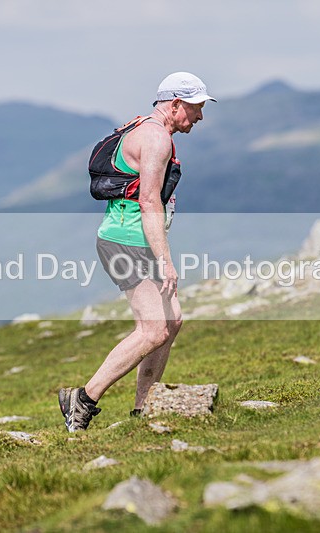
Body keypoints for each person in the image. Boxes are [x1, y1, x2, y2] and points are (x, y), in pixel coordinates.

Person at [59, 72, 216, 432]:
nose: (200, 117)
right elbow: (148, 201)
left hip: (133, 240)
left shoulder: (142, 127)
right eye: (195, 108)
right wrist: (166, 261)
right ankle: (83, 400)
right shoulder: (156, 138)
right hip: (125, 242)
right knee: (153, 329)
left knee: (171, 321)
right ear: (175, 104)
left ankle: (145, 408)